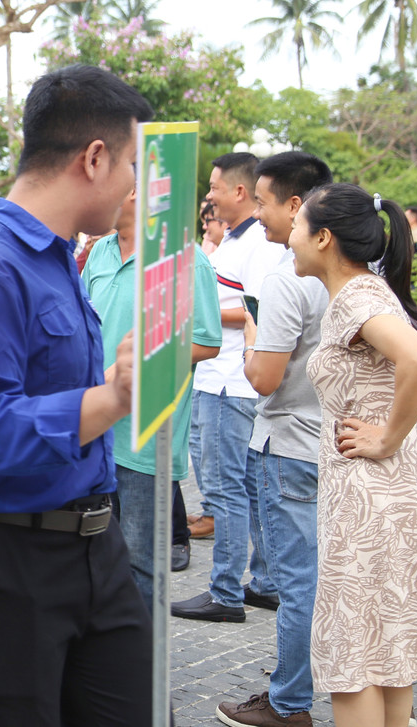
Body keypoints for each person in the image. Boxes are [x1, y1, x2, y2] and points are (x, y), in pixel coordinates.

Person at [0, 64, 154, 725]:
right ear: (95, 157)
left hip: (93, 548)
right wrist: (114, 398)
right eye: (133, 164)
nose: (137, 186)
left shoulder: (60, 258)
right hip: (0, 563)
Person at [291, 184, 417, 727]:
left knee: (354, 657)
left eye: (297, 224)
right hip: (391, 494)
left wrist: (388, 437)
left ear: (324, 238)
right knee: (386, 656)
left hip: (374, 497)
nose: (290, 236)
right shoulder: (368, 292)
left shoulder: (356, 296)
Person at [217, 151, 333, 727]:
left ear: (296, 205)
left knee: (296, 586)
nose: (257, 213)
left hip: (287, 444)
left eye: (262, 201)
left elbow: (263, 377)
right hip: (331, 444)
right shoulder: (360, 274)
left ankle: (289, 703)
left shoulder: (288, 280)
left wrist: (254, 325)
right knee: (323, 578)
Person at [82, 187, 222, 606]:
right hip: (93, 425)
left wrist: (138, 360)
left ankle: (139, 658)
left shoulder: (182, 258)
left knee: (141, 561)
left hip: (146, 436)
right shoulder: (100, 252)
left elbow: (206, 342)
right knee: (93, 554)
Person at [175, 152, 288, 621]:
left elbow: (262, 311)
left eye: (215, 188)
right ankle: (262, 582)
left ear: (240, 192)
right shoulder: (235, 242)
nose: (209, 196)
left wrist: (196, 316)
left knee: (224, 492)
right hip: (220, 376)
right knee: (245, 487)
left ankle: (225, 592)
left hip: (229, 380)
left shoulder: (258, 244)